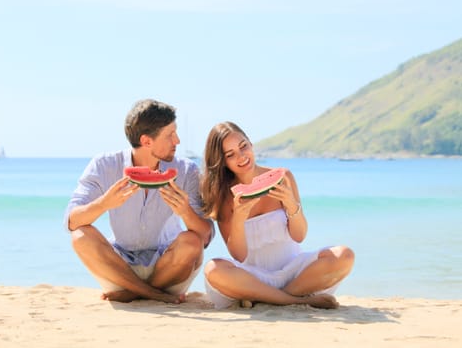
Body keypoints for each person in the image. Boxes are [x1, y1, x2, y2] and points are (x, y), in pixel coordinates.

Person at [64, 99, 214, 304]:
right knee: (80, 236)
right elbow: (71, 221)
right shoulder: (104, 165)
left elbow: (205, 236)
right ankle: (151, 293)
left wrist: (185, 211)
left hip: (170, 267)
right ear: (146, 141)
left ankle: (133, 293)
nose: (177, 140)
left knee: (192, 242)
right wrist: (103, 204)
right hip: (119, 269)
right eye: (170, 135)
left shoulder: (186, 170)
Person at [200, 121, 354, 309]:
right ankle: (296, 300)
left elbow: (299, 236)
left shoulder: (283, 177)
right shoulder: (223, 196)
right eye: (231, 155)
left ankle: (270, 298)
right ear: (223, 162)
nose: (241, 157)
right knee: (213, 269)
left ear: (251, 144)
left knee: (344, 255)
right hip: (252, 277)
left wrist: (291, 205)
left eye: (243, 147)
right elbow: (239, 256)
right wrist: (239, 219)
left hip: (295, 273)